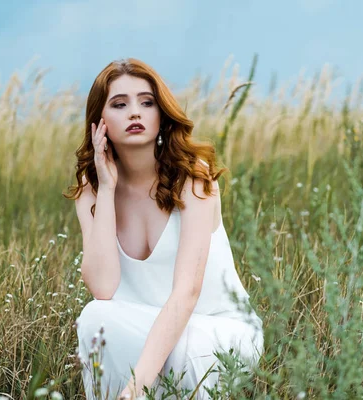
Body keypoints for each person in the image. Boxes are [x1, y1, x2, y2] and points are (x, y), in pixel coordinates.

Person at [63, 58, 263, 399]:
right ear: (99, 122)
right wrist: (108, 189)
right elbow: (103, 287)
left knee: (180, 354)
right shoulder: (91, 187)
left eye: (146, 102)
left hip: (218, 329)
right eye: (120, 104)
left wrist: (136, 385)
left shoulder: (193, 176)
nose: (135, 113)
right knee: (94, 316)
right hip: (145, 326)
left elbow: (187, 293)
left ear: (161, 113)